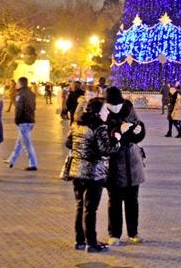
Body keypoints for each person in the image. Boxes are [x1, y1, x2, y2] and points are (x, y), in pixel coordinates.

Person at [66, 97, 122, 253]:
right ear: (98, 111)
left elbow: (69, 143)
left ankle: (80, 241)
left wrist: (81, 150)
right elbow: (106, 149)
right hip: (93, 173)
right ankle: (91, 243)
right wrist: (117, 140)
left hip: (77, 170)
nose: (107, 112)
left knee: (79, 206)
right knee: (90, 209)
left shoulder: (77, 123)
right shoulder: (99, 127)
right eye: (105, 109)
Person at [104, 87, 146, 246]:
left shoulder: (129, 109)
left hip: (132, 162)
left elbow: (138, 134)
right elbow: (103, 137)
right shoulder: (103, 113)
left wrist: (139, 130)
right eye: (111, 104)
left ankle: (133, 232)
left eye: (117, 104)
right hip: (113, 164)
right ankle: (114, 234)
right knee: (114, 201)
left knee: (132, 201)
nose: (114, 107)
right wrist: (118, 130)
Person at [6, 76, 38, 171]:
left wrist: (17, 120)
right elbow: (34, 107)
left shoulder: (19, 94)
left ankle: (33, 164)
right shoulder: (32, 93)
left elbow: (18, 109)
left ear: (21, 83)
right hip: (31, 120)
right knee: (19, 142)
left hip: (24, 121)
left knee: (27, 144)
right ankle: (12, 160)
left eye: (17, 83)